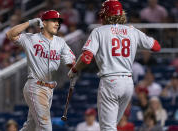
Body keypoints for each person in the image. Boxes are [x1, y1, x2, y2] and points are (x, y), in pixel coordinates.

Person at [68, 0, 161, 130]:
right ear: (121, 14)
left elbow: (86, 58)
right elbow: (156, 47)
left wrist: (74, 69)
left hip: (110, 82)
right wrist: (136, 36)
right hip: (128, 83)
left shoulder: (99, 31)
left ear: (105, 15)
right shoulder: (132, 31)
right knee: (111, 126)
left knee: (108, 128)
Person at [6, 10, 75, 131]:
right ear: (44, 23)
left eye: (58, 21)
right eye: (53, 20)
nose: (57, 24)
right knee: (45, 127)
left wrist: (74, 69)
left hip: (49, 90)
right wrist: (30, 22)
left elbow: (71, 62)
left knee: (31, 127)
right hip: (35, 86)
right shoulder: (31, 39)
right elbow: (10, 34)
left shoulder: (60, 42)